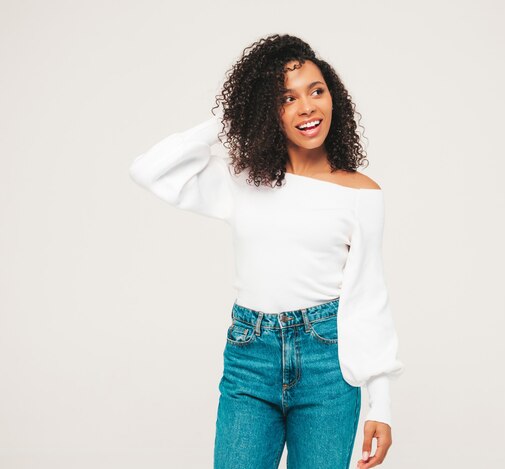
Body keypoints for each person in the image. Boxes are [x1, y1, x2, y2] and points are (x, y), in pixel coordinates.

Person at [128, 34, 405, 469]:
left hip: (327, 364)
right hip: (249, 359)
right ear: (266, 110)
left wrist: (381, 405)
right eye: (286, 98)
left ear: (334, 96)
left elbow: (369, 296)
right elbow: (148, 170)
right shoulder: (241, 180)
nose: (308, 107)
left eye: (316, 91)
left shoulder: (362, 194)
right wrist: (234, 118)